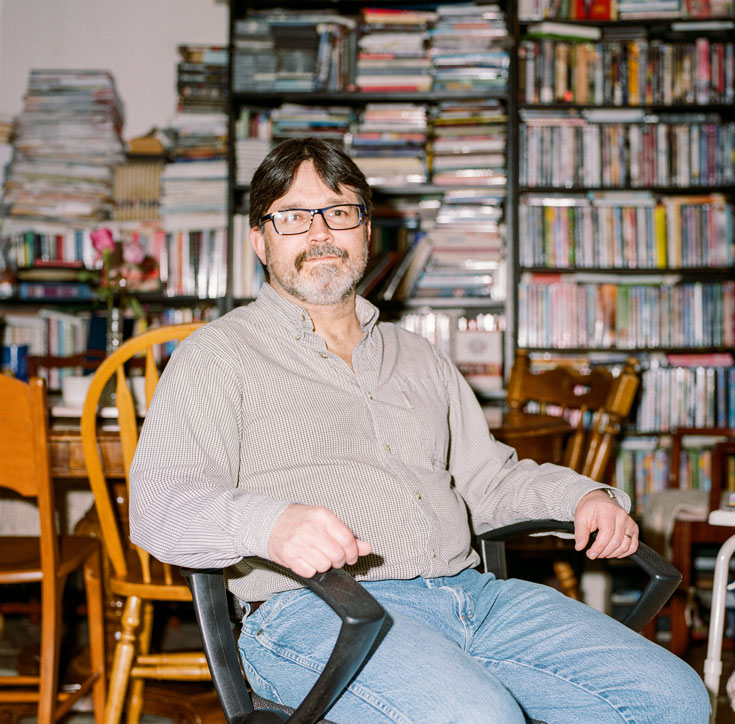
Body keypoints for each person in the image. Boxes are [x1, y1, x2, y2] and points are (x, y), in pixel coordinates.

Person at [130, 137, 709, 724]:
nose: (320, 233)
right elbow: (158, 506)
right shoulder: (218, 354)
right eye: (294, 216)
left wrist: (582, 497)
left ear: (365, 231)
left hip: (474, 599)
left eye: (339, 212)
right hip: (316, 614)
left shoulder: (419, 355)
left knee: (674, 698)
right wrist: (270, 524)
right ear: (260, 240)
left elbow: (489, 482)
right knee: (479, 718)